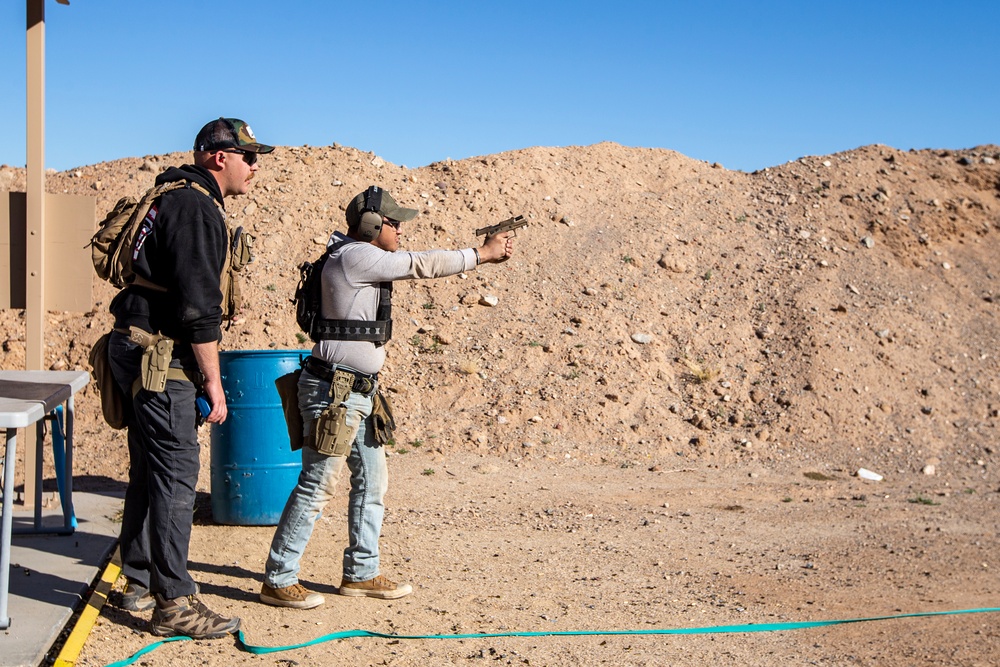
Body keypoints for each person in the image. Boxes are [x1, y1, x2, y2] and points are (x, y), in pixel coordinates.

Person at [259, 186, 516, 609]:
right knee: (318, 484)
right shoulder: (354, 256)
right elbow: (421, 265)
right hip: (336, 390)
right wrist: (481, 254)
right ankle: (278, 577)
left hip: (359, 391)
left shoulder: (356, 257)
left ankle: (360, 573)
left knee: (372, 482)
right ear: (370, 226)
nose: (399, 229)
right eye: (392, 222)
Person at [107, 118, 273, 638]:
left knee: (148, 471)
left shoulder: (168, 194)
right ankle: (173, 601)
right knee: (177, 478)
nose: (254, 166)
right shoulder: (197, 206)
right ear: (218, 157)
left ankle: (136, 579)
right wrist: (214, 381)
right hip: (162, 358)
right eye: (248, 155)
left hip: (132, 343)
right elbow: (199, 308)